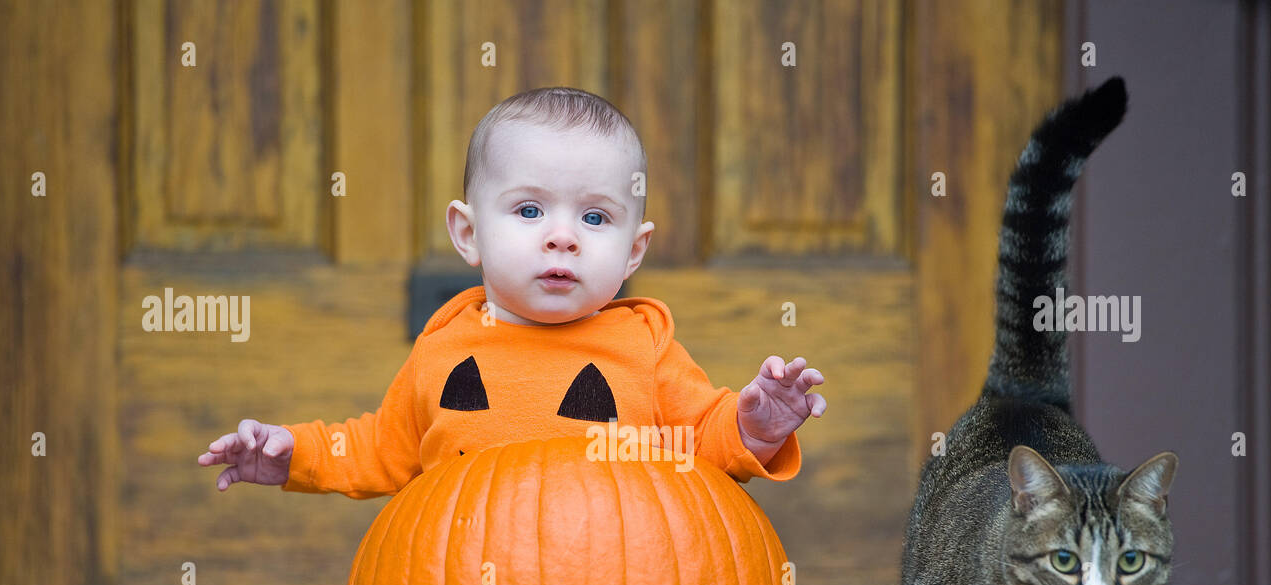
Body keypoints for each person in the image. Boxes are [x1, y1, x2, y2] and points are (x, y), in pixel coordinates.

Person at [199, 86, 826, 496]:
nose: (562, 238)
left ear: (635, 251)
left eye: (596, 217)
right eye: (529, 211)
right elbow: (379, 448)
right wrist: (295, 453)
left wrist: (756, 426)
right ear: (469, 235)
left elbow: (700, 443)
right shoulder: (447, 348)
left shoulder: (644, 348)